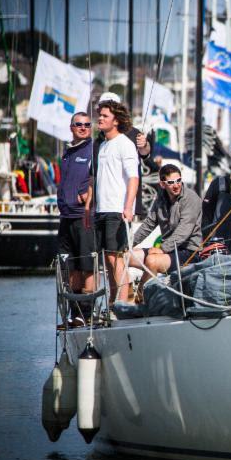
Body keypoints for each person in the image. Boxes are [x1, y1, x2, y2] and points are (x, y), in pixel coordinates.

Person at [89, 99, 140, 305]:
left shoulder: (125, 144)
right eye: (99, 115)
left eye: (105, 116)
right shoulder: (102, 145)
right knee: (106, 260)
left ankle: (122, 303)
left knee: (116, 258)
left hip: (117, 210)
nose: (100, 119)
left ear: (116, 120)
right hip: (102, 209)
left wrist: (128, 207)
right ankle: (112, 302)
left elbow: (133, 178)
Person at [129, 164, 203, 287]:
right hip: (168, 251)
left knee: (152, 261)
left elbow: (184, 231)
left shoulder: (191, 198)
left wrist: (162, 249)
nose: (176, 185)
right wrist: (128, 244)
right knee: (126, 257)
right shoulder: (160, 198)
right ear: (162, 184)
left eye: (178, 180)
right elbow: (148, 224)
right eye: (171, 182)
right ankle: (125, 298)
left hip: (188, 252)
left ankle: (144, 298)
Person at [94, 92, 152, 217]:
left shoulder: (132, 133)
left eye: (105, 114)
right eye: (100, 112)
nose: (101, 117)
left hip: (120, 206)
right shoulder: (99, 140)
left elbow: (145, 153)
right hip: (101, 206)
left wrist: (144, 144)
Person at [57, 112, 95, 296]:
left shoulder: (93, 150)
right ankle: (76, 311)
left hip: (83, 217)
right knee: (70, 267)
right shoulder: (67, 151)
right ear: (71, 127)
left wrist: (88, 195)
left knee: (87, 266)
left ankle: (88, 314)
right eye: (79, 124)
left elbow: (101, 177)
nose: (83, 128)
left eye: (87, 125)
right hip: (66, 216)